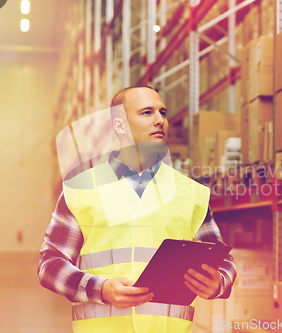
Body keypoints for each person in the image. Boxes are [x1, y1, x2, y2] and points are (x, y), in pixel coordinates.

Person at [38, 86, 236, 333]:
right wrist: (101, 288)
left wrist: (219, 282)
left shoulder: (190, 192)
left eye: (162, 112)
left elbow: (223, 258)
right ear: (119, 126)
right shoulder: (80, 189)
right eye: (147, 112)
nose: (160, 120)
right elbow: (50, 265)